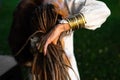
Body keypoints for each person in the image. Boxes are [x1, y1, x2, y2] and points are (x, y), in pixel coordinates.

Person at [8, 0, 111, 80]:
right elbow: (17, 41)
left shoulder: (64, 3)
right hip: (38, 69)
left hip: (63, 68)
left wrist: (62, 27)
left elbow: (101, 10)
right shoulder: (24, 7)